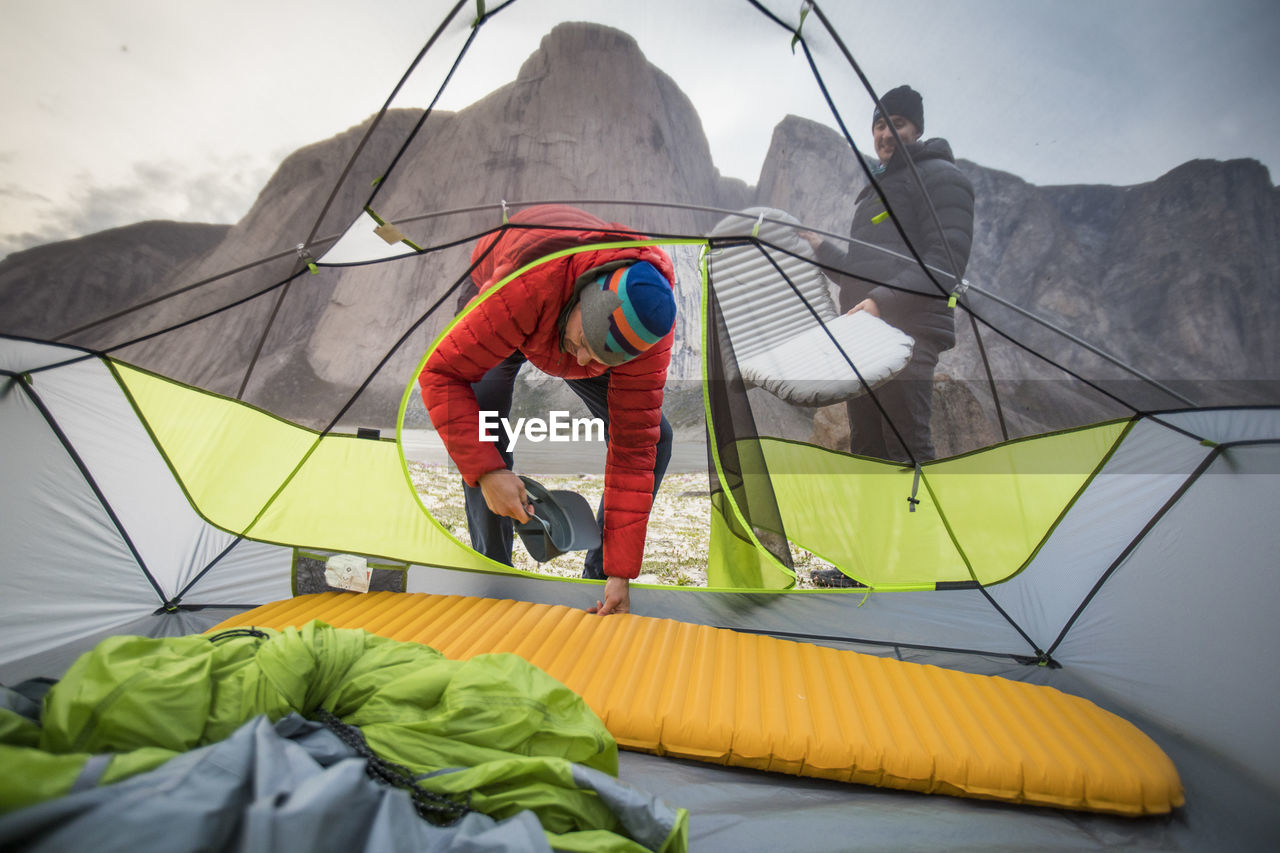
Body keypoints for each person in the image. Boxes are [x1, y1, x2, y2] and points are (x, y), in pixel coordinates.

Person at [418, 204, 677, 616]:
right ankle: (496, 577)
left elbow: (632, 450)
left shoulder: (648, 334)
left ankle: (598, 581)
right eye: (582, 342)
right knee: (482, 433)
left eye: (600, 358)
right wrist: (488, 472)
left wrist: (620, 571)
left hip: (555, 316)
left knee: (655, 439)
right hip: (512, 292)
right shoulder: (524, 288)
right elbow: (442, 374)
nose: (584, 361)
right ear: (583, 298)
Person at [802, 85, 974, 589]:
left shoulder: (942, 180)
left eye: (896, 124)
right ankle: (865, 566)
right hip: (866, 336)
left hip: (909, 333)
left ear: (916, 128)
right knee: (869, 452)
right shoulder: (878, 191)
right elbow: (862, 271)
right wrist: (819, 248)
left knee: (907, 453)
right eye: (879, 125)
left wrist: (882, 303)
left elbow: (945, 267)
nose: (885, 134)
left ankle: (920, 569)